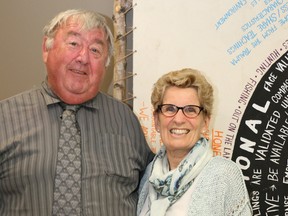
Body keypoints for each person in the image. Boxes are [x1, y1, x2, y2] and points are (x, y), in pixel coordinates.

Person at [0, 9, 153, 216]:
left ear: (106, 63)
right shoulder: (4, 118)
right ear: (46, 48)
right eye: (73, 44)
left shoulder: (126, 121)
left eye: (95, 50)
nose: (83, 58)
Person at [137, 68, 252, 216]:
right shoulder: (149, 176)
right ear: (157, 121)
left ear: (205, 122)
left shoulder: (224, 175)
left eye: (190, 110)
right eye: (170, 109)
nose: (178, 119)